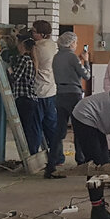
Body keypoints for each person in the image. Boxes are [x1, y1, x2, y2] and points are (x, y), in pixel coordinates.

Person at [53, 31, 91, 166]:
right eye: (75, 42)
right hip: (73, 94)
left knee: (60, 130)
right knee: (78, 127)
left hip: (60, 94)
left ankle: (56, 158)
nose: (76, 45)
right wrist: (86, 61)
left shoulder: (56, 57)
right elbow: (86, 76)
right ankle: (80, 159)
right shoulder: (72, 57)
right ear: (71, 43)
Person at [31, 20, 62, 178]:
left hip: (39, 91)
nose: (32, 34)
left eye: (34, 31)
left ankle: (34, 157)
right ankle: (58, 157)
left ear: (41, 34)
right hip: (52, 89)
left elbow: (34, 69)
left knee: (36, 126)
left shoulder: (37, 48)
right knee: (52, 127)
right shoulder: (54, 45)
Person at [9, 32, 40, 155]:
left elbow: (15, 77)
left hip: (24, 99)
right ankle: (32, 155)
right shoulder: (31, 60)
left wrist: (9, 69)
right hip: (30, 99)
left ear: (22, 45)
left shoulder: (24, 59)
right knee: (29, 129)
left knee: (26, 130)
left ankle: (29, 157)